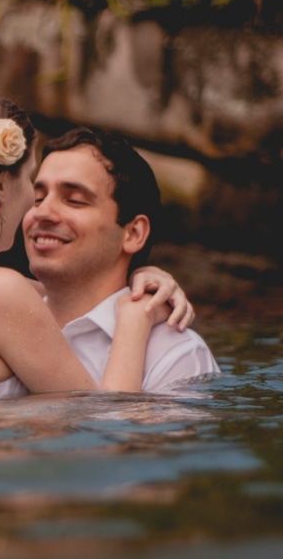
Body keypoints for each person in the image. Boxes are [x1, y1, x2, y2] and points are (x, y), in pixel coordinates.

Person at [0, 89, 187, 399]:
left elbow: (66, 296)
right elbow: (105, 418)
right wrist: (136, 317)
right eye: (31, 182)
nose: (36, 206)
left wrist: (138, 276)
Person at [24, 126, 219, 392]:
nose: (42, 212)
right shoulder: (1, 322)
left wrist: (134, 321)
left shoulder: (177, 353)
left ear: (133, 233)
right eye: (37, 198)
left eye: (75, 200)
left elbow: (123, 434)